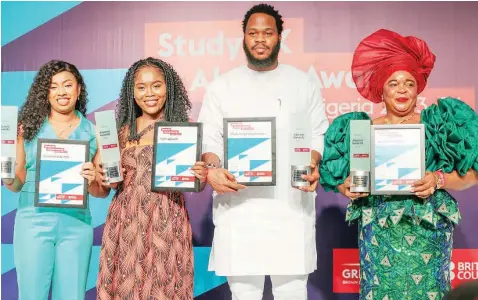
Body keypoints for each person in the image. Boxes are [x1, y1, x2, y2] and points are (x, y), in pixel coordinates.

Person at [319, 29, 478, 299]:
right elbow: (343, 181)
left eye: (409, 82)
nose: (402, 89)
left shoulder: (439, 125)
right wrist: (348, 188)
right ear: (382, 89)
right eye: (393, 83)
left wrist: (438, 180)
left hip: (429, 228)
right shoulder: (360, 130)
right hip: (379, 230)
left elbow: (472, 175)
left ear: (418, 88)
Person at [197, 4, 329, 300]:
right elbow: (209, 139)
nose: (260, 39)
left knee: (293, 291)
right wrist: (214, 168)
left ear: (280, 37)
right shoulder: (222, 86)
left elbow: (318, 132)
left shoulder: (302, 83)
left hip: (291, 208)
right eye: (252, 33)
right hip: (239, 208)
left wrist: (311, 161)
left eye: (267, 33)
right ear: (243, 38)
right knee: (243, 293)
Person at [96, 57, 207, 300]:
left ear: (169, 87)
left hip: (168, 219)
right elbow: (104, 187)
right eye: (141, 87)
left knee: (165, 288)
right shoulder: (119, 132)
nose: (150, 93)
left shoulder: (184, 129)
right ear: (132, 92)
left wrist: (200, 175)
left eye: (157, 85)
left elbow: (196, 184)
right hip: (126, 222)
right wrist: (99, 177)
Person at [1, 60, 106, 300]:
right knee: (31, 295)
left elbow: (102, 191)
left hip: (76, 225)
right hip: (33, 222)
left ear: (78, 89)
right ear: (44, 93)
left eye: (67, 85)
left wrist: (92, 180)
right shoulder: (24, 129)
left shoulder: (94, 132)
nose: (61, 92)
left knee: (71, 296)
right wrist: (6, 175)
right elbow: (16, 184)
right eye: (53, 86)